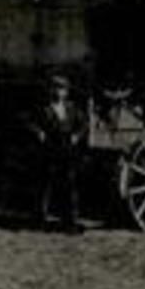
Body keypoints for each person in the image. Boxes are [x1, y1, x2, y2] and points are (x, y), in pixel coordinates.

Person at [24, 74, 88, 232]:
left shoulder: (72, 108)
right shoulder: (42, 108)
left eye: (61, 89)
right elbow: (28, 122)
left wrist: (76, 136)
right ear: (50, 90)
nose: (58, 92)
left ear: (66, 92)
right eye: (55, 88)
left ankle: (70, 222)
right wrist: (39, 132)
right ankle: (40, 221)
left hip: (67, 149)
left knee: (69, 186)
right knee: (45, 186)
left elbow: (84, 123)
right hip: (49, 149)